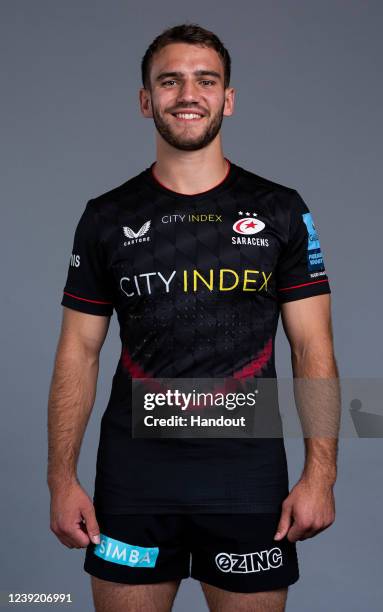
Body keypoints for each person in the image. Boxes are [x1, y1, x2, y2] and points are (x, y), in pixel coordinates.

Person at [47, 23, 339, 612]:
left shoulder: (280, 209)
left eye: (206, 80)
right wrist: (61, 478)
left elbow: (314, 348)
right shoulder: (106, 216)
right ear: (145, 99)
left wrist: (321, 475)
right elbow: (78, 350)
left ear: (227, 98)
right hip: (134, 478)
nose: (188, 93)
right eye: (170, 80)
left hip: (247, 477)